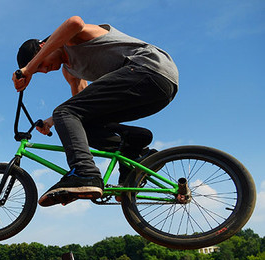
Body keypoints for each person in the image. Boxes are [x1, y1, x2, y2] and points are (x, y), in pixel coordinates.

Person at [13, 16, 178, 206]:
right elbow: (81, 106)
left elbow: (74, 22)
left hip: (149, 69)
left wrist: (29, 68)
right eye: (39, 71)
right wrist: (51, 121)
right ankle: (136, 148)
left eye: (41, 65)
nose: (45, 71)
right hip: (156, 91)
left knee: (64, 113)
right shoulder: (70, 71)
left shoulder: (70, 39)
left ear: (44, 47)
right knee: (80, 123)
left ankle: (85, 173)